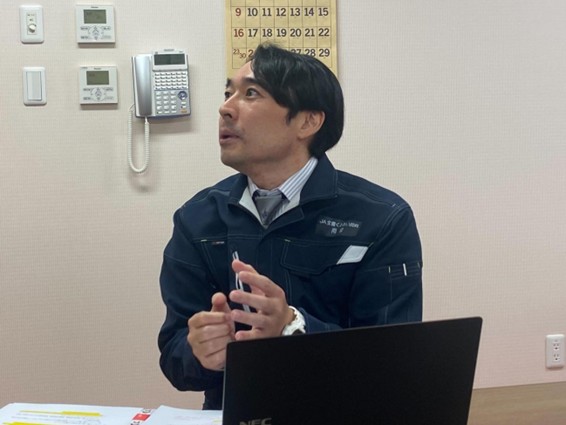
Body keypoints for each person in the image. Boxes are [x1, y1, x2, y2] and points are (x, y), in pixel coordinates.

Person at [157, 43, 423, 410]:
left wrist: (293, 326)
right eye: (227, 93)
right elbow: (174, 359)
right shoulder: (197, 219)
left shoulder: (381, 218)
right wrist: (200, 353)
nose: (225, 108)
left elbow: (393, 362)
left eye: (251, 93)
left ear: (308, 122)